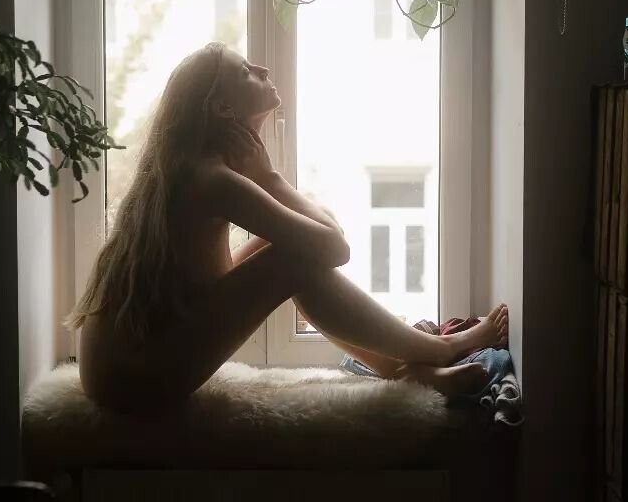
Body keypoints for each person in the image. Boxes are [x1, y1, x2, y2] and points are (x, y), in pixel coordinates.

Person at [67, 43, 509, 415]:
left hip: (126, 369)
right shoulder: (209, 178)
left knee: (287, 242)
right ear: (223, 108)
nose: (262, 68)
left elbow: (324, 233)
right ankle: (437, 350)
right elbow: (334, 248)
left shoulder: (196, 168)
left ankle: (405, 370)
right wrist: (271, 179)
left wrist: (269, 180)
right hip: (133, 381)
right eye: (245, 71)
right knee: (294, 257)